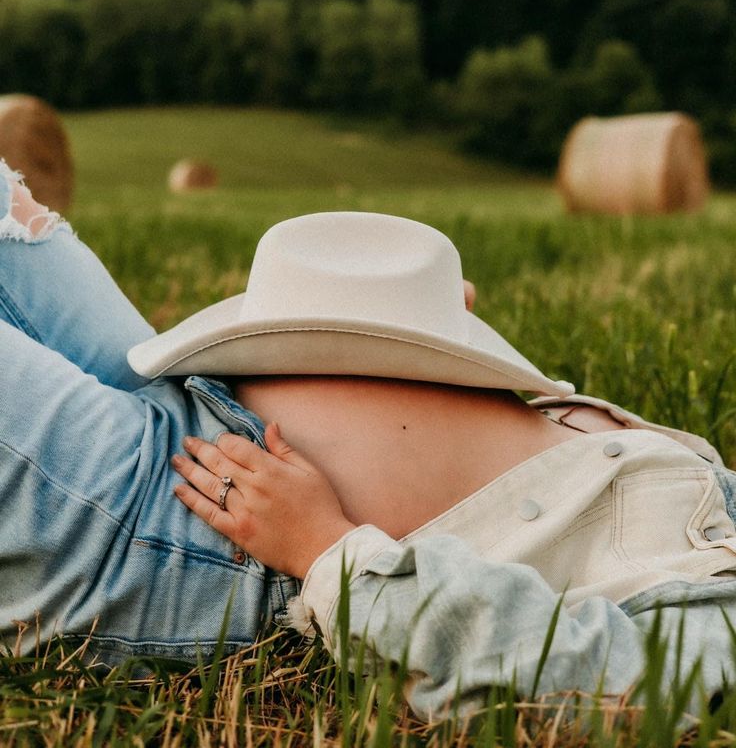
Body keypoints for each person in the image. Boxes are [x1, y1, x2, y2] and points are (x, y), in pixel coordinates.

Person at [2, 160, 736, 720]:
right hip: (184, 389)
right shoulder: (715, 482)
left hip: (190, 526)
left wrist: (329, 551)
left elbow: (617, 684)